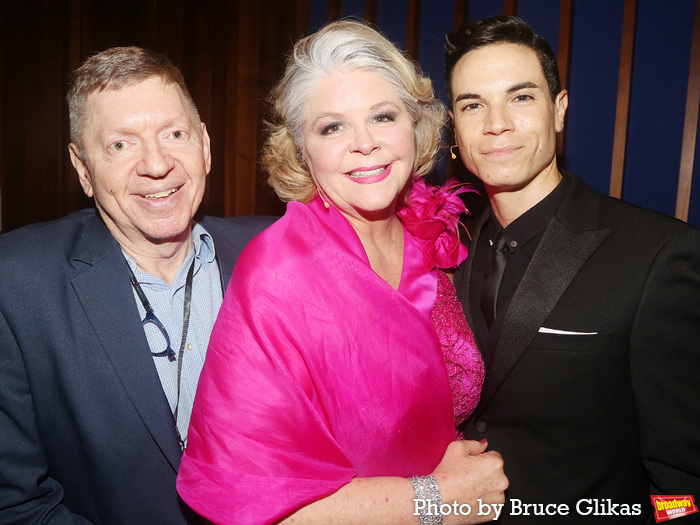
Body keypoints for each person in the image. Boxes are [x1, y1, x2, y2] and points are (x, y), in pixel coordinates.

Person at [177, 20, 507, 525]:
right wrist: (437, 500)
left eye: (382, 116)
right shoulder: (278, 274)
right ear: (302, 151)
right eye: (332, 126)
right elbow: (252, 503)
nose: (364, 143)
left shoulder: (436, 236)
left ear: (415, 127)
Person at [0, 47, 275, 524]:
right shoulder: (18, 285)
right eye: (120, 145)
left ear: (205, 146)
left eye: (174, 134)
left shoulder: (277, 251)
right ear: (83, 168)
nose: (156, 164)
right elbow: (17, 506)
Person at [445, 15, 700, 523]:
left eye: (521, 97)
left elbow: (684, 480)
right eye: (473, 105)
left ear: (559, 111)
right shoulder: (443, 248)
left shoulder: (658, 255)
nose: (496, 123)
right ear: (455, 123)